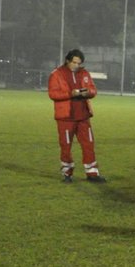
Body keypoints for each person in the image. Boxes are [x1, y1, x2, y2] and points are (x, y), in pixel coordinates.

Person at [48, 48, 105, 183]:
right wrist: (70, 94)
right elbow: (53, 94)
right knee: (66, 146)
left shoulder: (84, 73)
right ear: (67, 61)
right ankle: (67, 174)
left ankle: (92, 174)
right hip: (66, 118)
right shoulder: (56, 74)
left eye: (79, 63)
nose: (77, 66)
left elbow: (93, 90)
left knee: (89, 145)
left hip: (83, 116)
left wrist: (87, 93)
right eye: (74, 63)